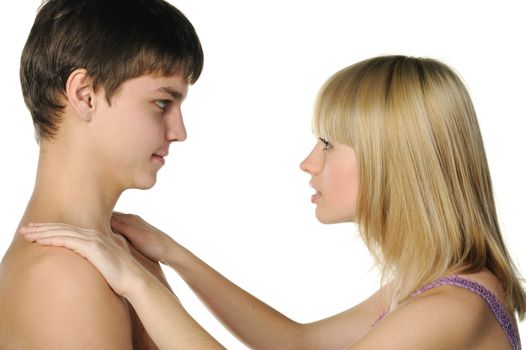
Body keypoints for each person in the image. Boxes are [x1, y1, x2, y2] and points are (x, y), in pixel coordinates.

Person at [19, 56, 525, 349]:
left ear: (393, 160)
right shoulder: (429, 288)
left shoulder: (449, 308)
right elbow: (296, 345)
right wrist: (173, 254)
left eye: (328, 143)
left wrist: (135, 283)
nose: (309, 162)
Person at [0, 0, 204, 348]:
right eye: (162, 103)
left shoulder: (126, 255)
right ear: (85, 95)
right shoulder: (63, 276)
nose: (179, 131)